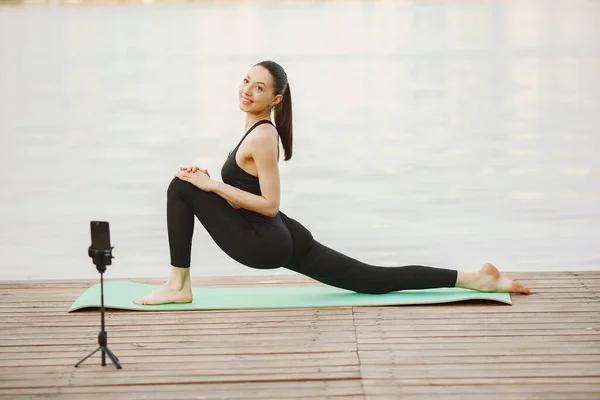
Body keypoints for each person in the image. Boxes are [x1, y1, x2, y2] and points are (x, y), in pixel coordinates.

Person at [134, 60, 530, 305]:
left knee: (179, 187)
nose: (247, 90)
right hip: (282, 233)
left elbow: (268, 204)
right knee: (370, 278)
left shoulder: (262, 135)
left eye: (259, 87)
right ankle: (474, 279)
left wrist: (213, 187)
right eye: (246, 80)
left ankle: (177, 285)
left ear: (275, 99)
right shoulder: (257, 131)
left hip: (265, 238)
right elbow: (255, 199)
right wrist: (211, 185)